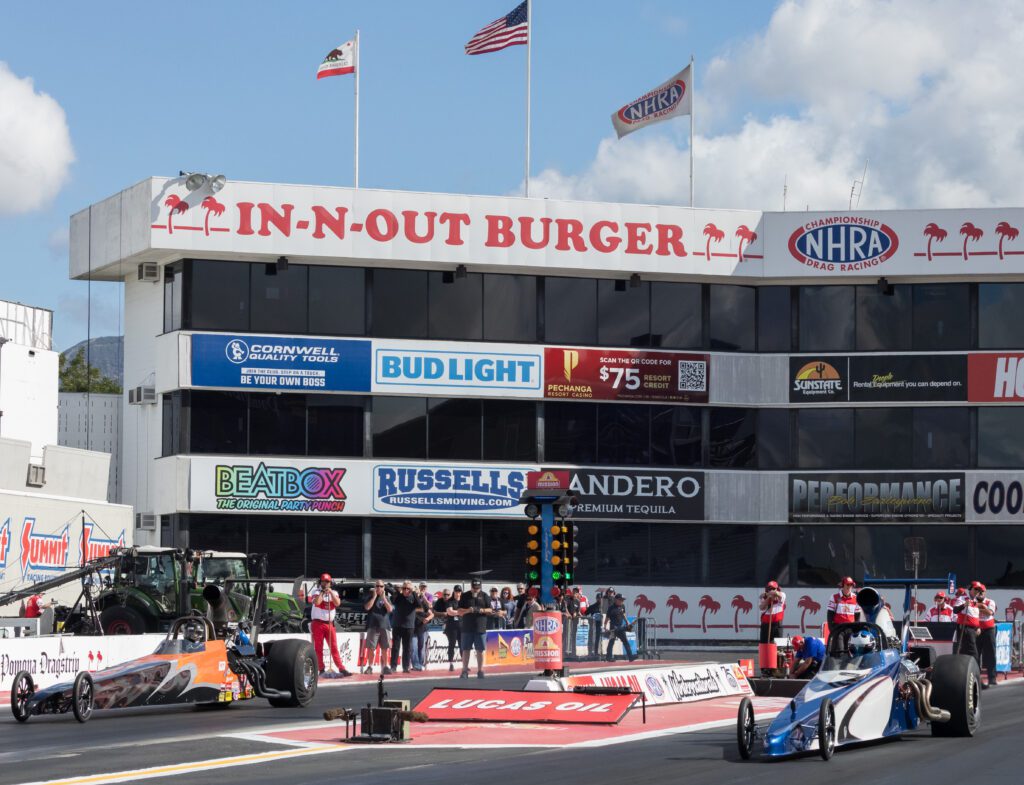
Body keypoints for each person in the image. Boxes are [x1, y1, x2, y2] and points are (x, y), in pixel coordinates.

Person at [307, 573, 351, 678]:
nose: (325, 583)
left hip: (329, 624)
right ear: (320, 582)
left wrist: (330, 592)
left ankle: (341, 668)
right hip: (318, 623)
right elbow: (317, 602)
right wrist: (322, 593)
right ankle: (321, 669)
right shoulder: (315, 591)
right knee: (318, 647)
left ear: (330, 583)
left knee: (334, 647)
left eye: (327, 582)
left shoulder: (334, 592)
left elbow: (337, 603)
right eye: (324, 581)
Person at [458, 578, 493, 678]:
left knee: (480, 650)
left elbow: (490, 610)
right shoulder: (465, 596)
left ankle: (480, 670)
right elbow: (459, 611)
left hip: (480, 627)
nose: (475, 589)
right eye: (474, 587)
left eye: (477, 588)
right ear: (471, 586)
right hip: (467, 627)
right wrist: (469, 610)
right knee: (466, 649)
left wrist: (480, 610)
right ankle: (464, 671)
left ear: (480, 587)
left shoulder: (485, 595)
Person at [362, 580, 393, 674]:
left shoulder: (387, 598)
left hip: (385, 626)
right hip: (373, 626)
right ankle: (370, 666)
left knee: (385, 648)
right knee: (371, 648)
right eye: (377, 586)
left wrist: (384, 599)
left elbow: (390, 609)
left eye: (381, 586)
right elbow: (367, 607)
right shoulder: (369, 597)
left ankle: (385, 666)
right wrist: (374, 596)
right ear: (375, 587)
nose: (379, 588)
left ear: (384, 588)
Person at [390, 580, 421, 673]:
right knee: (395, 647)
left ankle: (406, 666)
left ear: (410, 590)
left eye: (408, 588)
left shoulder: (413, 597)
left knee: (407, 648)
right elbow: (393, 600)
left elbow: (419, 605)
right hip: (397, 625)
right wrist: (398, 591)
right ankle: (393, 667)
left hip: (409, 626)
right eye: (404, 588)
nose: (405, 590)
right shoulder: (399, 597)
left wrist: (414, 592)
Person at [974, 582, 998, 688]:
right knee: (976, 655)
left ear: (985, 592)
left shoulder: (990, 601)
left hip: (989, 630)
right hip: (976, 630)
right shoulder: (971, 601)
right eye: (978, 591)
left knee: (990, 655)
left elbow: (989, 613)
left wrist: (979, 607)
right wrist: (982, 607)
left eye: (982, 591)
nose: (980, 593)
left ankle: (992, 679)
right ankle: (976, 679)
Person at [433, 586, 462, 671]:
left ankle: (465, 664)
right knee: (451, 645)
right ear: (454, 592)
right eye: (456, 591)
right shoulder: (450, 601)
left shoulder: (463, 601)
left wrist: (459, 612)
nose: (458, 593)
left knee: (462, 646)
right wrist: (461, 612)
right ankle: (451, 663)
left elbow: (468, 610)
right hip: (451, 627)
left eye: (459, 591)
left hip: (461, 626)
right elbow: (450, 612)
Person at [604, 593, 636, 662]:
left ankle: (630, 657)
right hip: (613, 628)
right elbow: (607, 618)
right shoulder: (611, 608)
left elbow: (623, 614)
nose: (622, 601)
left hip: (620, 627)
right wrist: (605, 626)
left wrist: (627, 622)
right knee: (611, 642)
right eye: (620, 600)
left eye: (623, 600)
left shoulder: (622, 606)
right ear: (616, 600)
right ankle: (608, 657)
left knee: (625, 642)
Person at [952, 587, 980, 658]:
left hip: (973, 629)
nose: (977, 591)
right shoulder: (962, 598)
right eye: (975, 589)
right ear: (970, 590)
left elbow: (975, 616)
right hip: (965, 628)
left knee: (965, 650)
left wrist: (977, 627)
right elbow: (955, 610)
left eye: (978, 590)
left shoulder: (975, 600)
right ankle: (975, 667)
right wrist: (964, 605)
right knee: (973, 651)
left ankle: (965, 667)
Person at [411, 585, 434, 671]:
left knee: (421, 648)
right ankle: (416, 665)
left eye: (416, 593)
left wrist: (427, 619)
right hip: (412, 628)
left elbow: (432, 614)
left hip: (422, 628)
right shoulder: (409, 603)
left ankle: (420, 663)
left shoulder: (423, 603)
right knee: (413, 647)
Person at [588, 588, 612, 658]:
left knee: (606, 638)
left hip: (604, 625)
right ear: (596, 599)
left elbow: (607, 614)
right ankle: (595, 652)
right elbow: (585, 613)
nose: (599, 599)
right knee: (596, 638)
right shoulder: (593, 606)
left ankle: (605, 652)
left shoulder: (605, 606)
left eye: (600, 598)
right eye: (598, 598)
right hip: (596, 625)